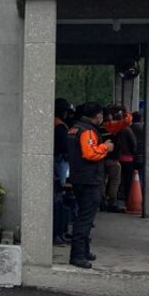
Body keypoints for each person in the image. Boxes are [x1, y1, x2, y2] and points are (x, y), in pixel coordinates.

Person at [66, 102, 113, 269]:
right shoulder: (87, 131)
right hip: (89, 180)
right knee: (85, 219)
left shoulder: (74, 128)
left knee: (83, 216)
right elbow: (90, 153)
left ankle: (84, 251)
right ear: (98, 115)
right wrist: (105, 147)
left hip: (78, 178)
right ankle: (77, 255)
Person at [53, 98, 72, 245]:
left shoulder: (53, 123)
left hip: (57, 162)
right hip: (60, 162)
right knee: (59, 196)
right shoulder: (59, 126)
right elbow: (65, 146)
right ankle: (58, 233)